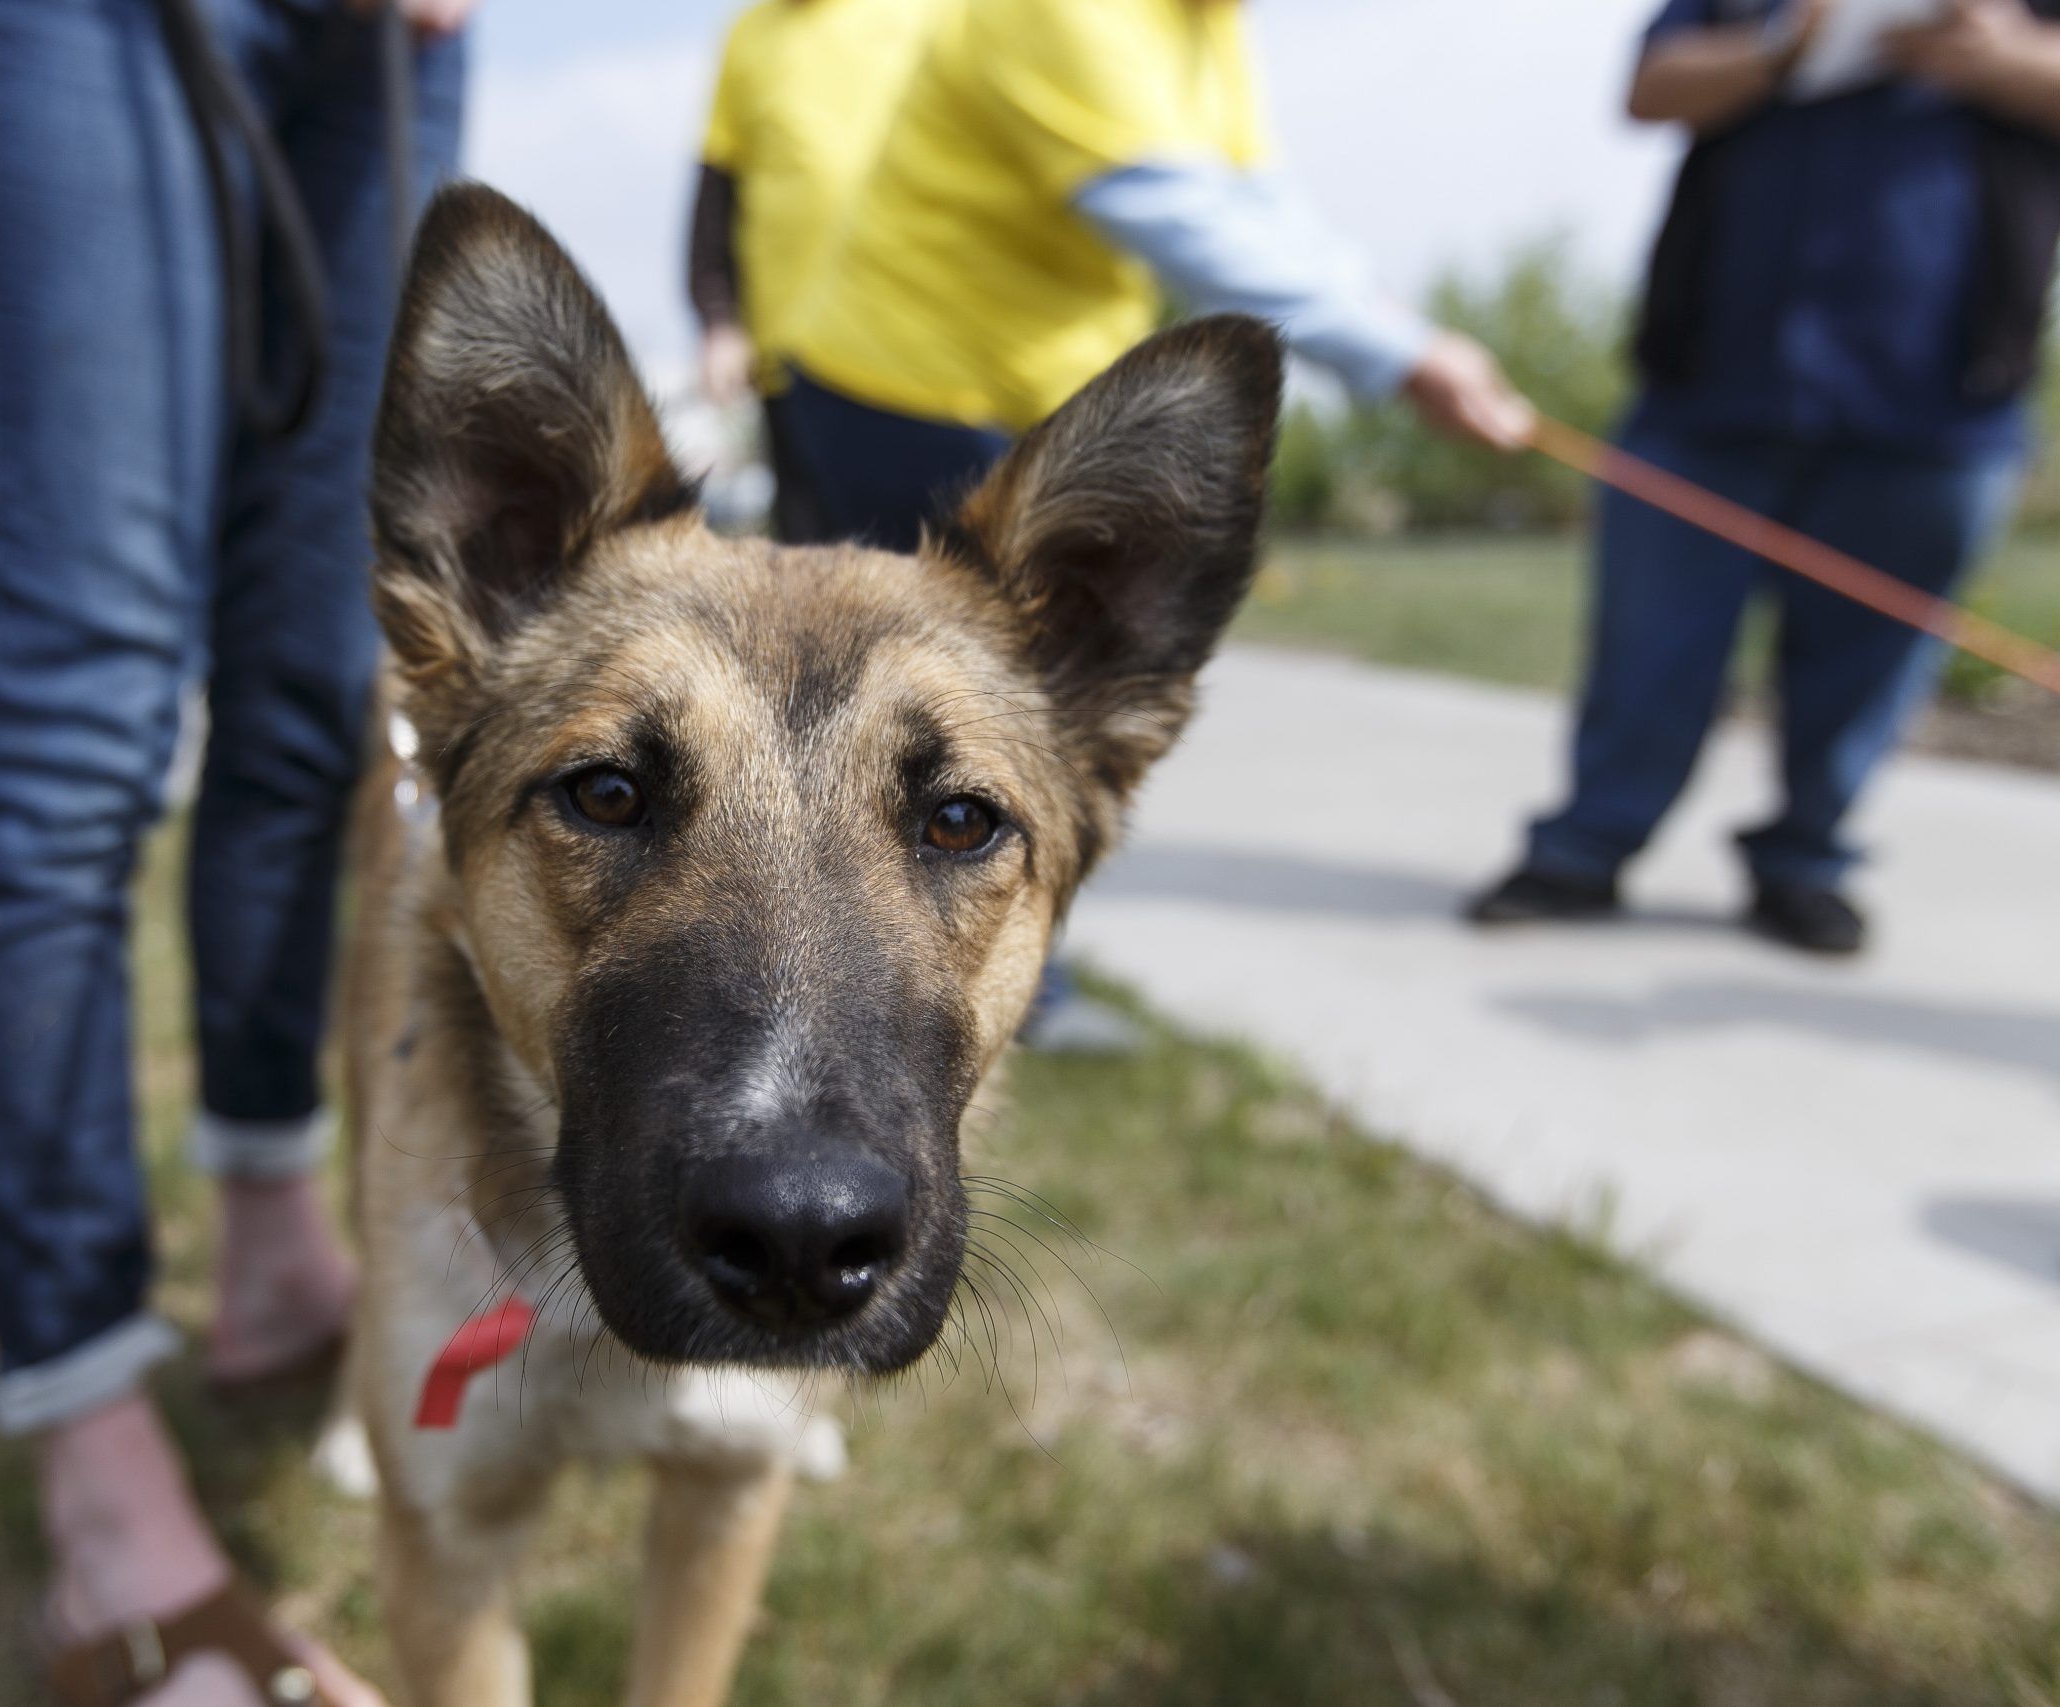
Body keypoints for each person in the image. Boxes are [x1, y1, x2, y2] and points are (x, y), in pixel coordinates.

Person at [0, 0, 470, 1699]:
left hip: (385, 37)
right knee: (83, 696)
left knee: (316, 684)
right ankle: (97, 1501)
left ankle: (276, 1241)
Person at [772, 0, 1535, 1048]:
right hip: (903, 370)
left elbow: (1262, 202)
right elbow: (1173, 214)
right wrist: (1394, 359)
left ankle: (1001, 987)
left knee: (1011, 732)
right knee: (914, 732)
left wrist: (1409, 332)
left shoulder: (1205, 24)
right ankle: (906, 1010)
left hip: (1015, 384)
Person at [1470, 0, 2060, 955]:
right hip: (1709, 392)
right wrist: (1787, 45)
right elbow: (1649, 87)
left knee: (1871, 665)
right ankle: (1585, 847)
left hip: (1939, 406)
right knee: (1648, 646)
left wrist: (2005, 56)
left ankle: (1805, 862)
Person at [687, 0, 940, 542]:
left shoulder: (930, 14)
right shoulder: (748, 36)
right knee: (810, 549)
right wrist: (719, 322)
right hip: (789, 359)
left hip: (915, 354)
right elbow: (716, 193)